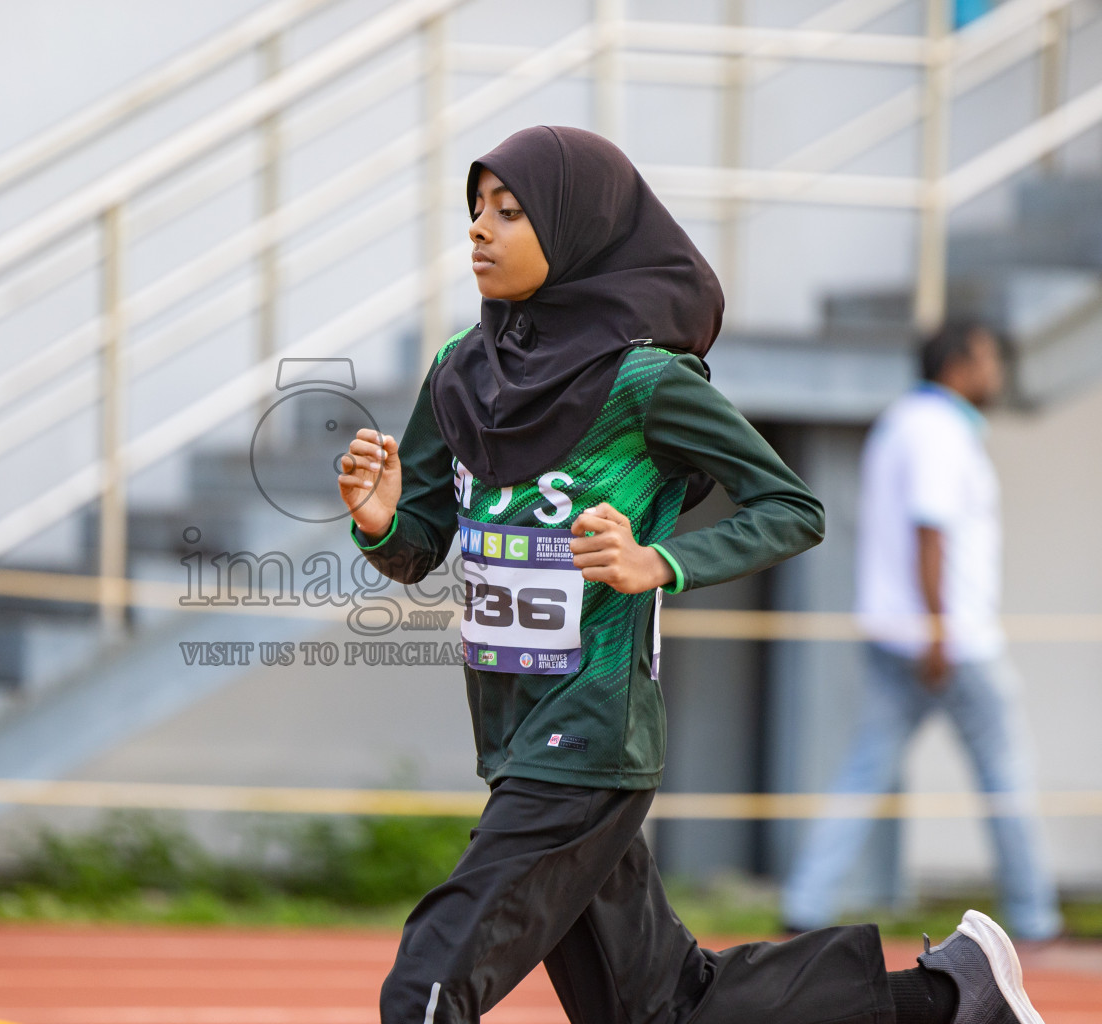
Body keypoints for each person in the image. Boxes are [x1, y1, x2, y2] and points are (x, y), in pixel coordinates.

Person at [339, 127, 1046, 1024]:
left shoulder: (644, 383)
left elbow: (793, 507)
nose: (479, 230)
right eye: (475, 210)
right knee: (665, 1008)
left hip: (590, 735)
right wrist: (380, 521)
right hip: (510, 737)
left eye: (510, 213)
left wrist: (657, 561)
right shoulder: (458, 374)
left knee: (426, 986)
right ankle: (950, 997)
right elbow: (419, 548)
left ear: (578, 230)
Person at [782, 322, 1062, 944]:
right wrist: (940, 632)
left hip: (896, 635)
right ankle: (1036, 919)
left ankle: (805, 900)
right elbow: (929, 532)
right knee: (1006, 776)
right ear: (958, 366)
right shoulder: (940, 432)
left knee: (864, 771)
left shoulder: (903, 422)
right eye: (989, 359)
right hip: (951, 641)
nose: (997, 373)